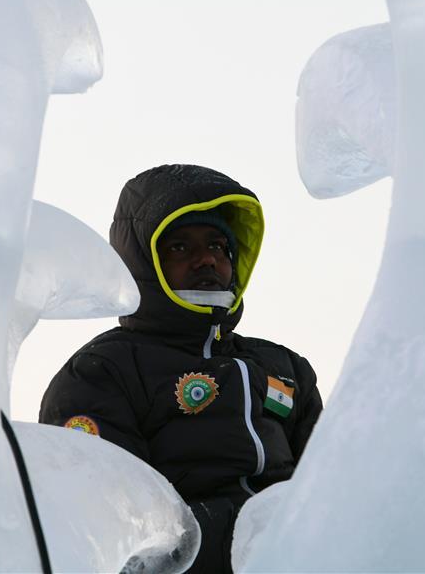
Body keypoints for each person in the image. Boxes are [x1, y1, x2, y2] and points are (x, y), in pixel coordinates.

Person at [39, 164, 322, 573]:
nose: (207, 259)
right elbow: (115, 533)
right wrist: (251, 539)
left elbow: (336, 489)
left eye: (218, 246)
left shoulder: (285, 366)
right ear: (143, 261)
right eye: (180, 248)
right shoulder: (101, 371)